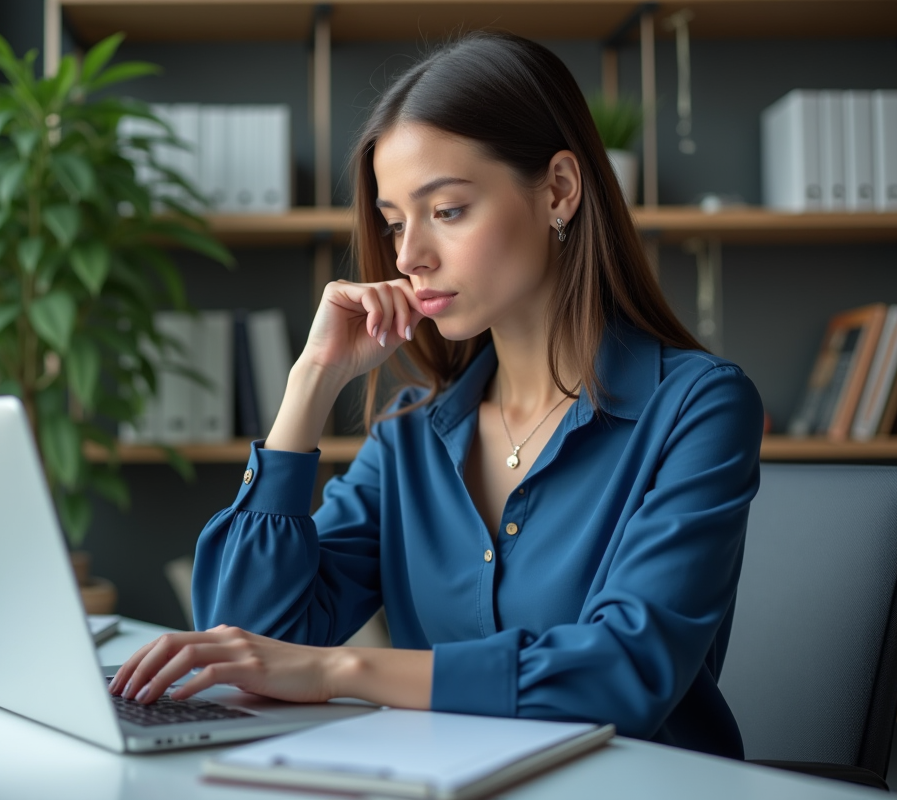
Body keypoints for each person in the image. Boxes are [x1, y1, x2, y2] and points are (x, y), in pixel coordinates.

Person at [111, 32, 763, 758]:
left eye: (446, 210)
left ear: (558, 190)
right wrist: (311, 380)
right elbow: (247, 639)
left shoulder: (698, 408)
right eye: (395, 223)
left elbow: (623, 674)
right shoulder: (410, 434)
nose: (408, 256)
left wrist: (340, 670)